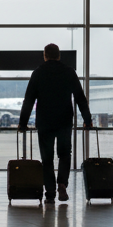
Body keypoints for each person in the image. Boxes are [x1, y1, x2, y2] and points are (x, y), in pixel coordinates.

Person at [18, 43, 93, 203]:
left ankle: (50, 191)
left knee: (47, 158)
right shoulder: (69, 72)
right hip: (64, 120)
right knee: (65, 154)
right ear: (59, 56)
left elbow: (29, 100)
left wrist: (23, 123)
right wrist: (87, 119)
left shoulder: (38, 73)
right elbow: (80, 97)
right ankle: (62, 184)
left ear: (45, 56)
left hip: (45, 122)